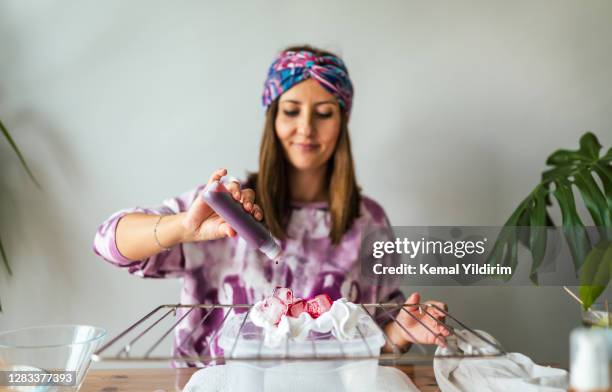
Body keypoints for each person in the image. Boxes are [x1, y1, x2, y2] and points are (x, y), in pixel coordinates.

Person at [93, 45, 449, 366]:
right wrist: (184, 226)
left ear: (342, 123)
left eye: (324, 114)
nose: (306, 128)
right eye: (291, 111)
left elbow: (378, 340)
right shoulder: (225, 209)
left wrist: (401, 333)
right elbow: (109, 243)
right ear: (273, 119)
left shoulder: (368, 219)